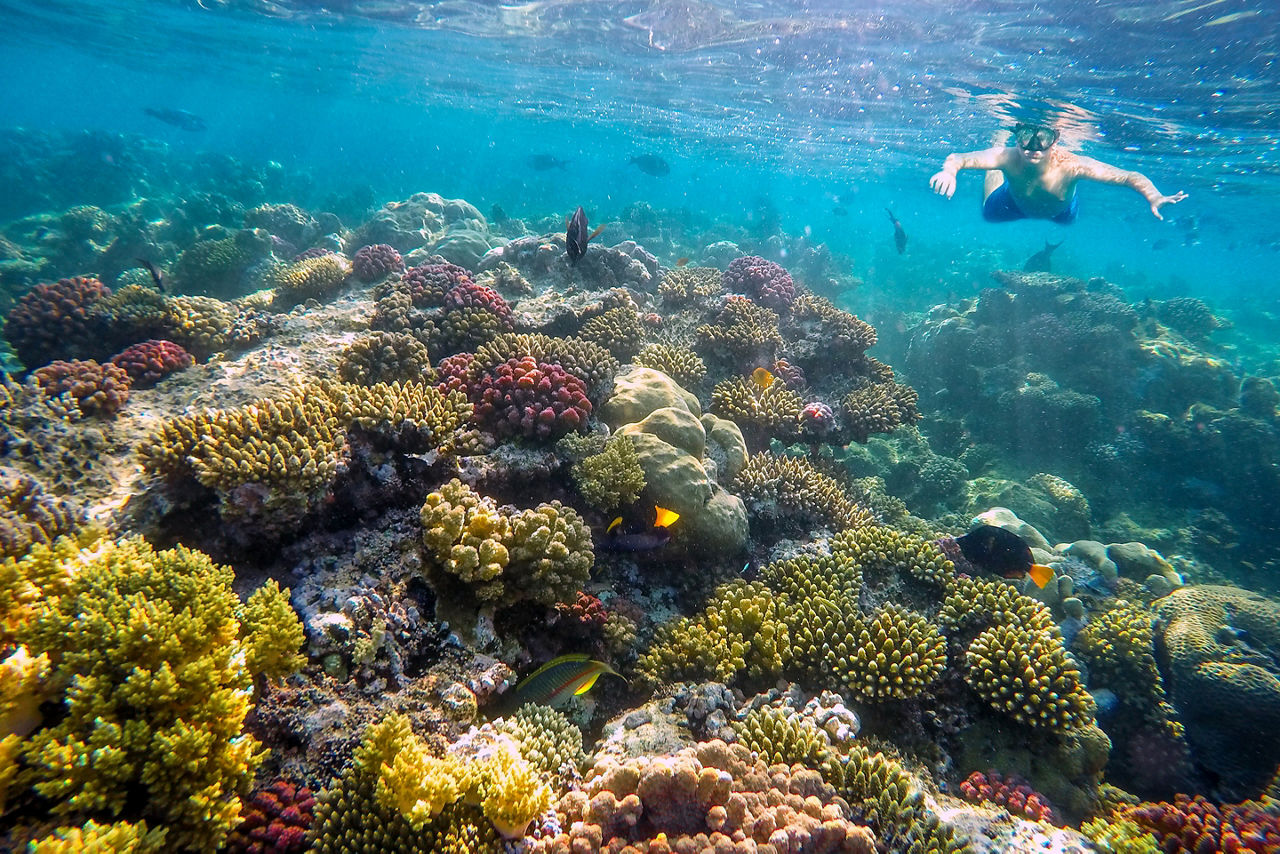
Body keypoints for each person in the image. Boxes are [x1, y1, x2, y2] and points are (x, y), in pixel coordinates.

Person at [929, 123, 1188, 224]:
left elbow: (1127, 176)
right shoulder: (1007, 156)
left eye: (1042, 138)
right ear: (1016, 137)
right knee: (988, 214)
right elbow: (958, 158)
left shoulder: (1072, 164)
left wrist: (1153, 196)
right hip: (1013, 201)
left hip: (1060, 210)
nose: (1032, 146)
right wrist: (949, 172)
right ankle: (996, 175)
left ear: (1055, 140)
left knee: (1067, 222)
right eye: (1025, 138)